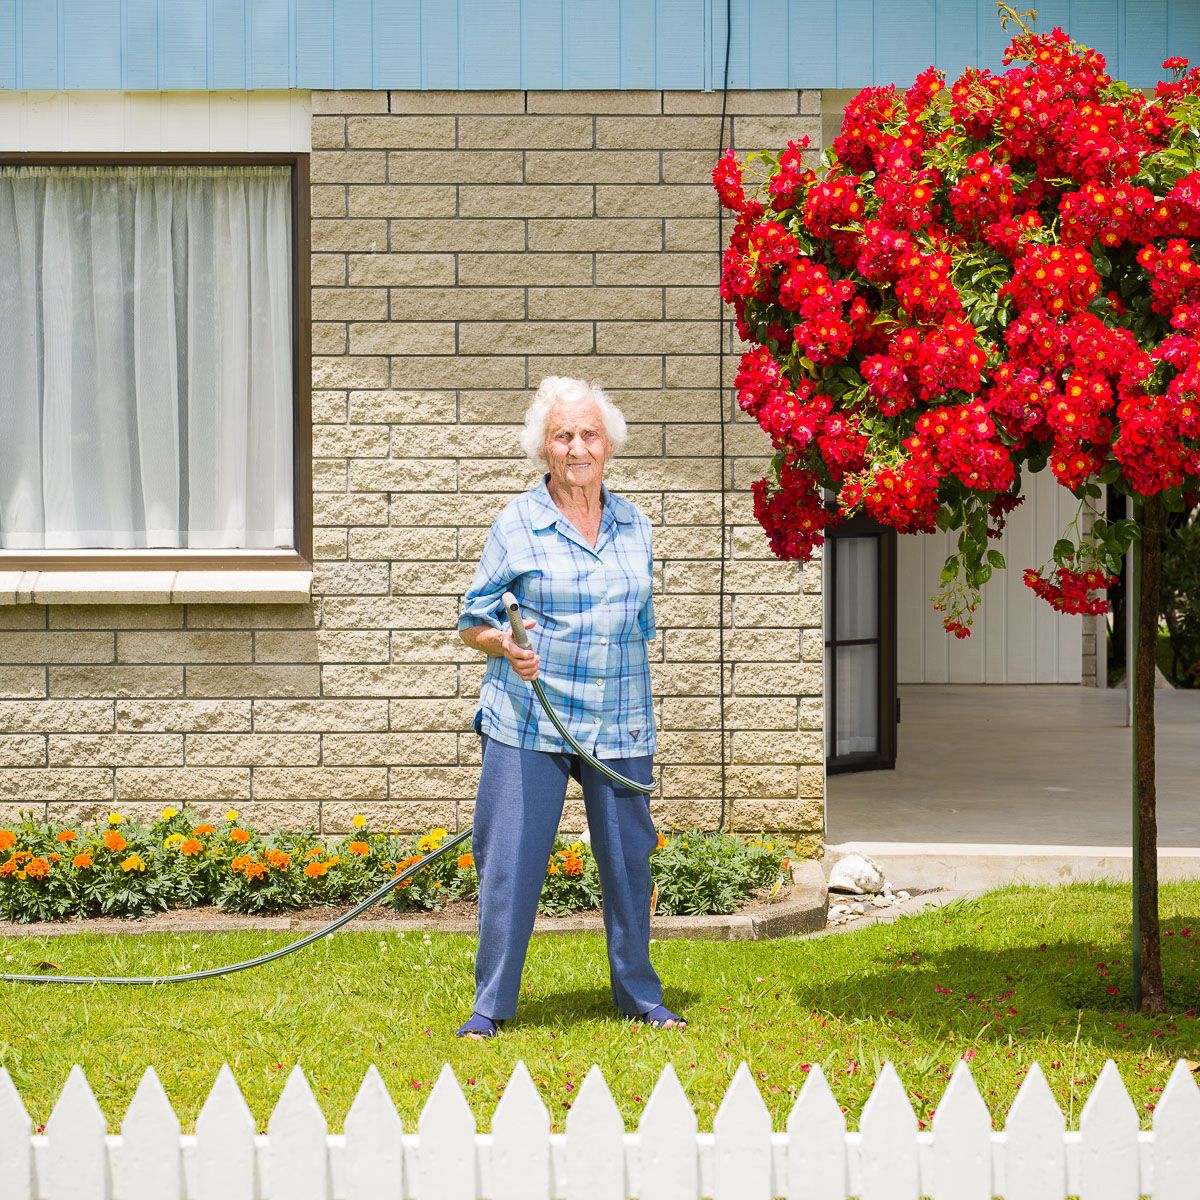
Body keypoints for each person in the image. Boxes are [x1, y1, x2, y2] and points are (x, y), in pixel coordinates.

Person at [454, 376, 686, 1039]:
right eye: (562, 436)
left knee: (628, 866)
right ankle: (489, 1007)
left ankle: (640, 997)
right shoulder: (516, 523)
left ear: (608, 443)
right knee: (510, 865)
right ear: (543, 449)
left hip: (618, 718)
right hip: (531, 719)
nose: (576, 447)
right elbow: (472, 619)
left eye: (587, 434)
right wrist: (503, 643)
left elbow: (639, 622)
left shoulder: (634, 524)